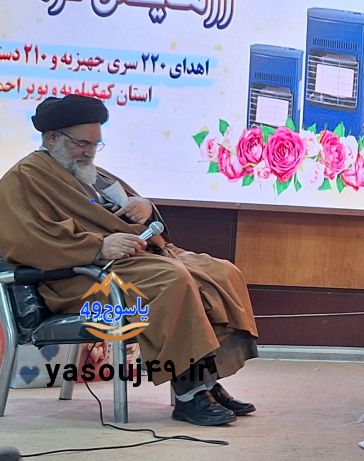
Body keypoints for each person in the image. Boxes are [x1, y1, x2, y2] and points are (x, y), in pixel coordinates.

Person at [0, 95, 259, 426]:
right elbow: (27, 242)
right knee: (170, 280)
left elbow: (127, 214)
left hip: (128, 264)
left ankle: (206, 379)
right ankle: (189, 394)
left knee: (221, 273)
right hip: (78, 280)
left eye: (95, 144)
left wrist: (145, 207)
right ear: (52, 137)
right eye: (82, 144)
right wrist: (98, 247)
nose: (89, 152)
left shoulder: (88, 172)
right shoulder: (22, 179)